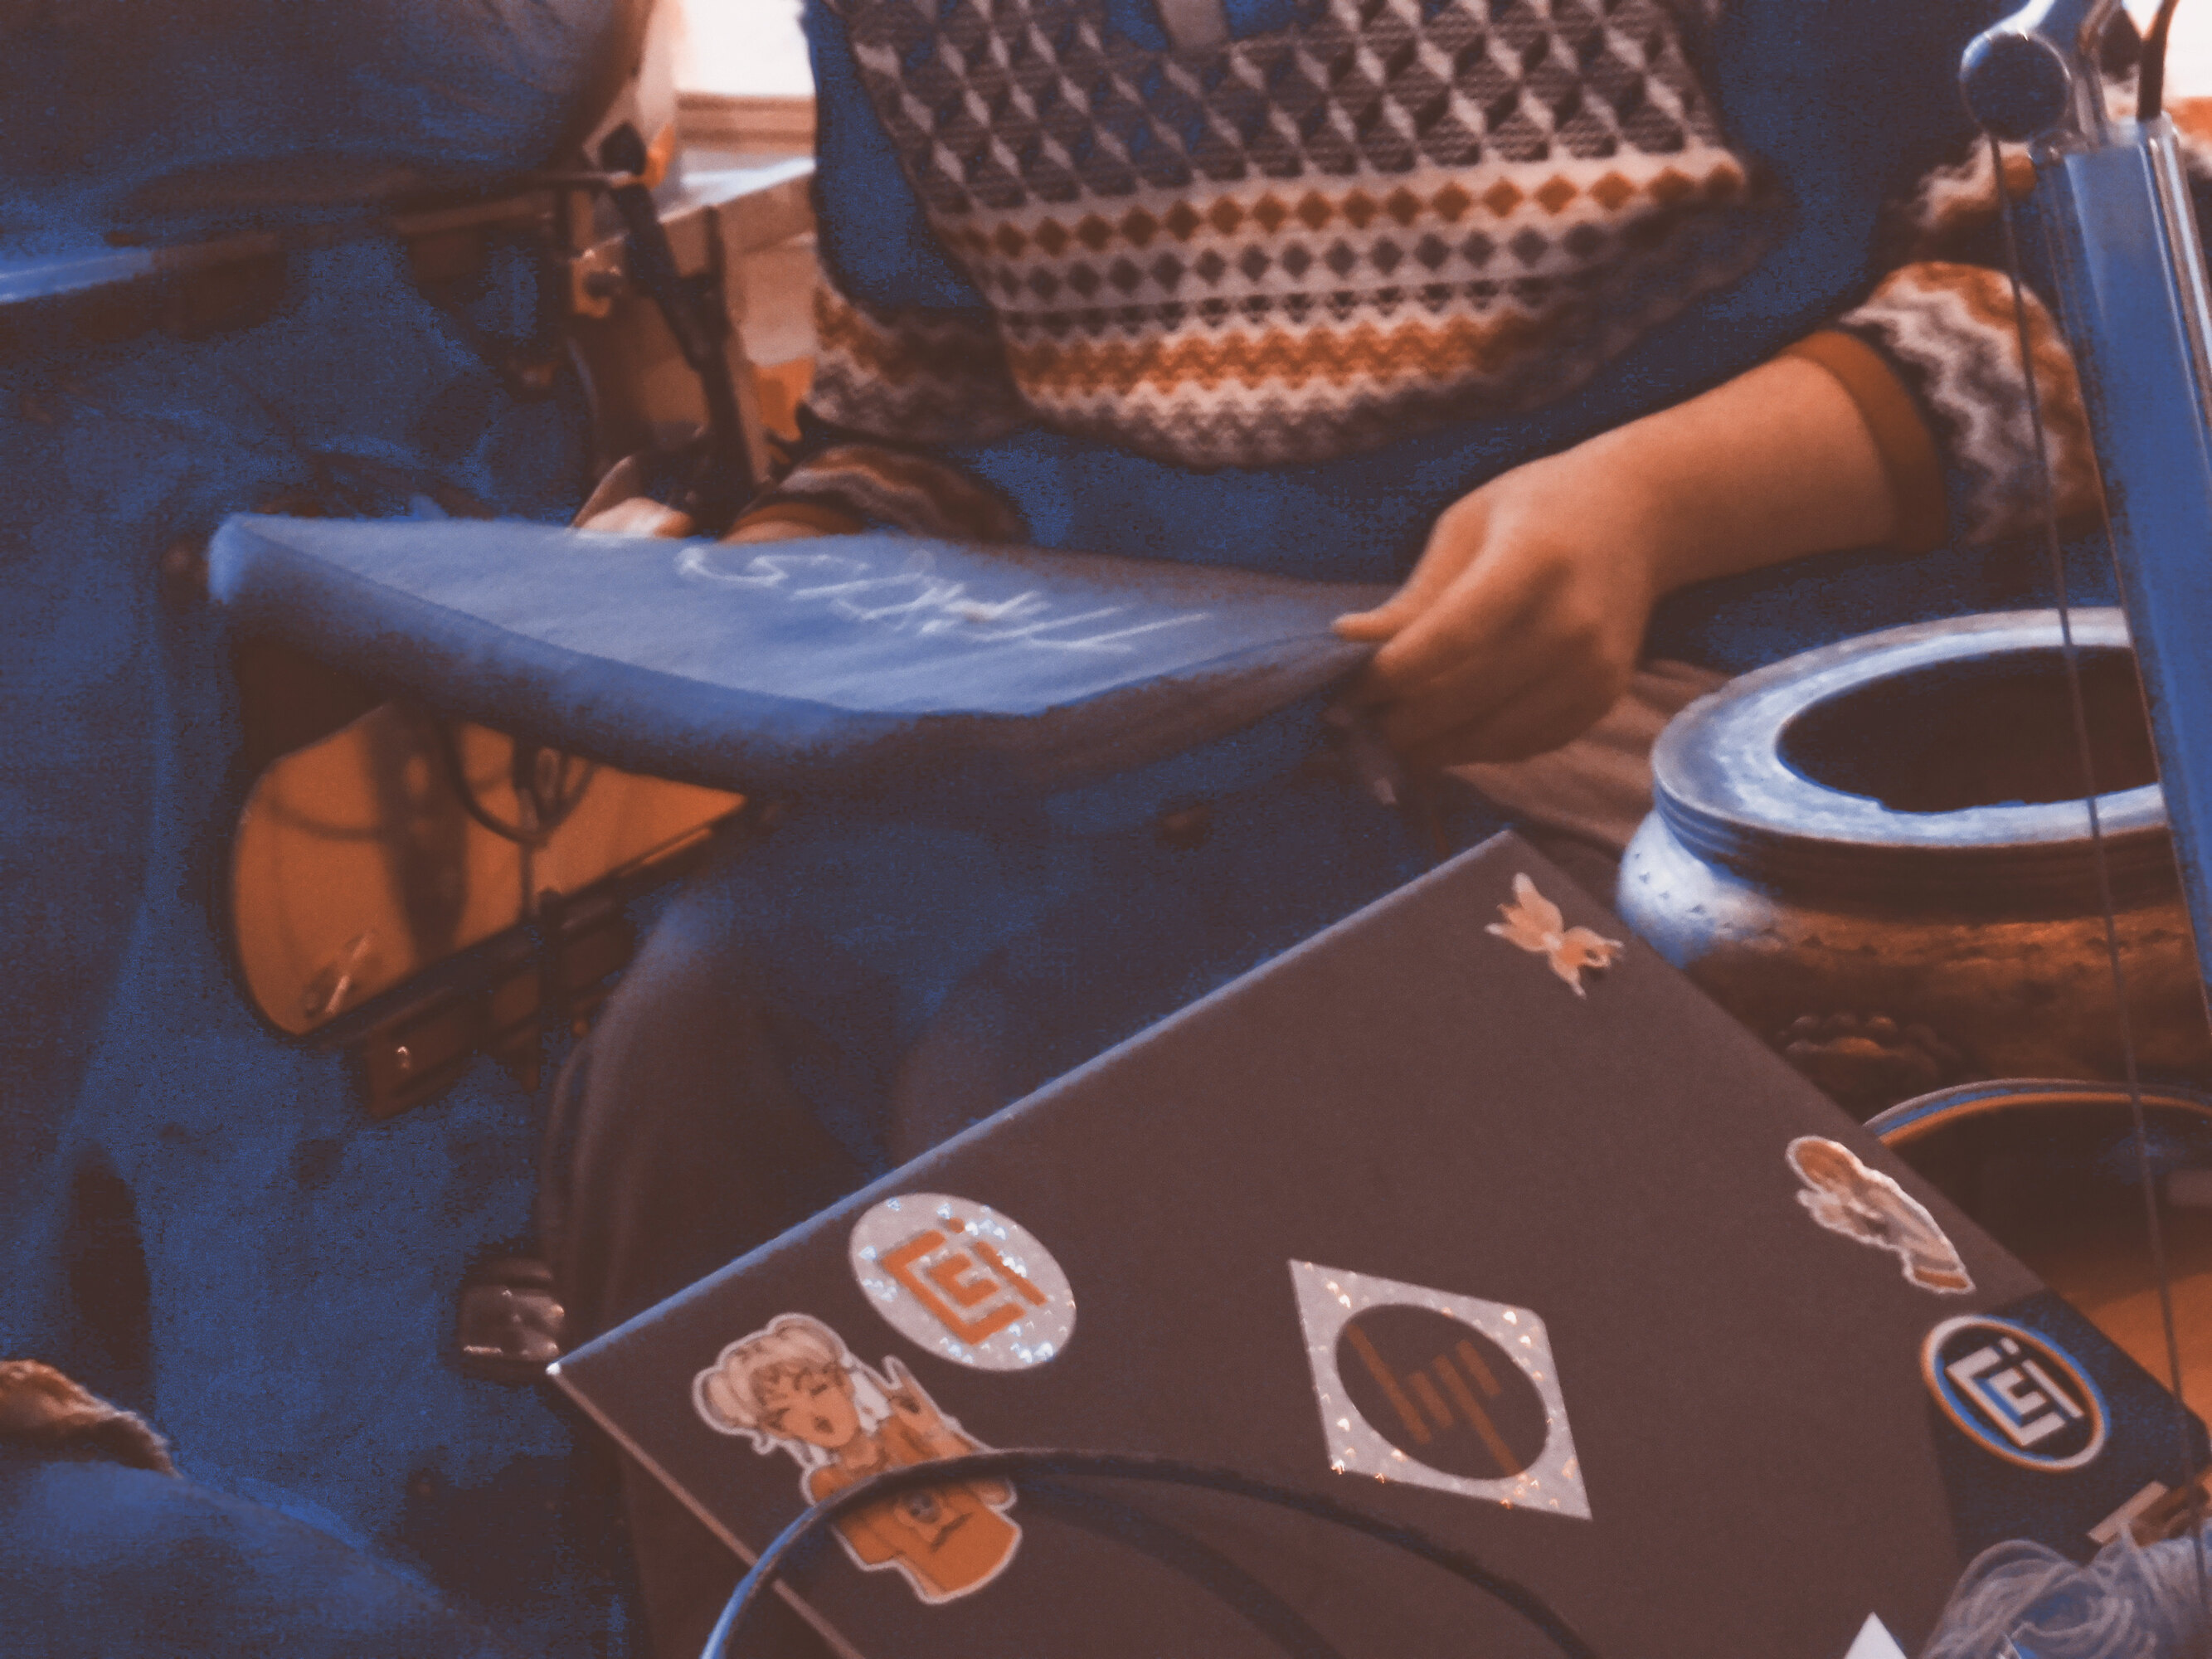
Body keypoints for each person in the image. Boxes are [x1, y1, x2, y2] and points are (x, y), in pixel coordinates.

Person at [542, 1, 2156, 1650]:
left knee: (1057, 1083)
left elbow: (2100, 321)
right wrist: (751, 595)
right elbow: (925, 435)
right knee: (701, 1025)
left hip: (1683, 702)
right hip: (1153, 719)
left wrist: (1647, 504)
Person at [693, 1315, 1020, 1604]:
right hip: (949, 1596)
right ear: (777, 1429)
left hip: (1014, 1551)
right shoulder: (826, 1484)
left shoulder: (903, 1429)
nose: (813, 1412)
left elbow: (997, 1492)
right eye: (785, 1413)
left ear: (843, 1382)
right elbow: (875, 1553)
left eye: (817, 1390)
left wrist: (934, 1431)